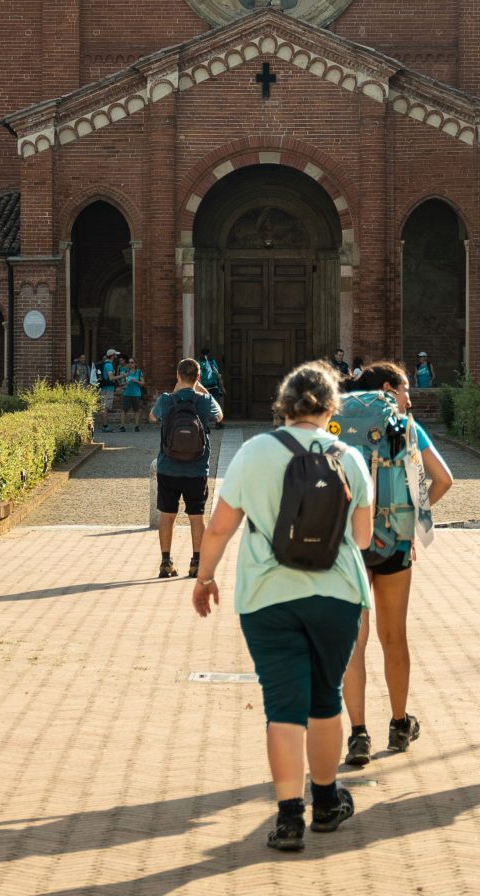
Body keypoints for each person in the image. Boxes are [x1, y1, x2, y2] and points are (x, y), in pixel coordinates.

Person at [193, 361, 374, 851]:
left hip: (267, 597)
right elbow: (361, 537)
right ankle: (327, 801)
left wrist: (204, 577)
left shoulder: (254, 453)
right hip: (337, 596)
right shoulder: (350, 458)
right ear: (332, 406)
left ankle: (290, 817)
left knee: (282, 706)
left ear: (284, 404)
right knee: (325, 698)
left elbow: (218, 528)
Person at [334, 362, 454, 767]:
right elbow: (444, 479)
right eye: (405, 390)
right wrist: (412, 517)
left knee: (353, 640)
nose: (410, 398)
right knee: (393, 637)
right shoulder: (404, 428)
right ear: (389, 389)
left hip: (346, 544)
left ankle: (358, 736)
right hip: (393, 542)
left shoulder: (336, 423)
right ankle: (400, 725)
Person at [149, 357, 225, 578]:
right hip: (197, 467)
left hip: (167, 467)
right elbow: (220, 415)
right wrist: (199, 387)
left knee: (167, 515)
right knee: (196, 516)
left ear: (177, 376)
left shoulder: (166, 400)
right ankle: (197, 563)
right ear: (198, 377)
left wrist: (175, 390)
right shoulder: (204, 400)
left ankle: (165, 562)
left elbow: (153, 417)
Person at [119, 358, 146, 427]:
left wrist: (136, 381)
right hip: (127, 393)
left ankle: (136, 426)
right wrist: (126, 383)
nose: (130, 364)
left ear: (135, 364)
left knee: (136, 410)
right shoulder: (125, 372)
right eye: (129, 362)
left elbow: (143, 383)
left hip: (136, 394)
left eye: (132, 362)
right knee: (124, 410)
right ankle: (122, 426)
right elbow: (121, 383)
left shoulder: (139, 372)